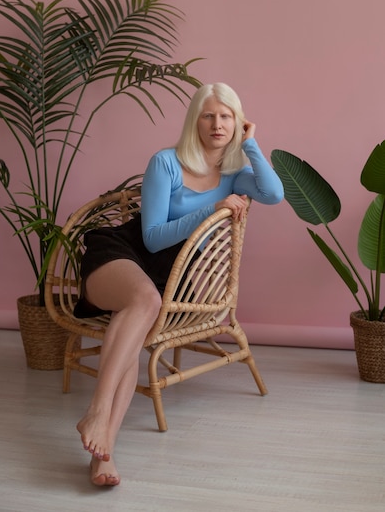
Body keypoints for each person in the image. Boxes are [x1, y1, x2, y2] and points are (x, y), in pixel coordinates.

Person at [75, 82, 284, 486]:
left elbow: (273, 194)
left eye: (227, 116)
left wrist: (252, 144)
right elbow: (152, 237)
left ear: (238, 122)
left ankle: (103, 453)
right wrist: (213, 206)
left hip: (167, 278)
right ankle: (97, 411)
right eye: (209, 115)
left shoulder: (234, 175)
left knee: (137, 318)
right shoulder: (166, 162)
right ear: (195, 121)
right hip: (123, 253)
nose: (217, 124)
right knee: (142, 300)